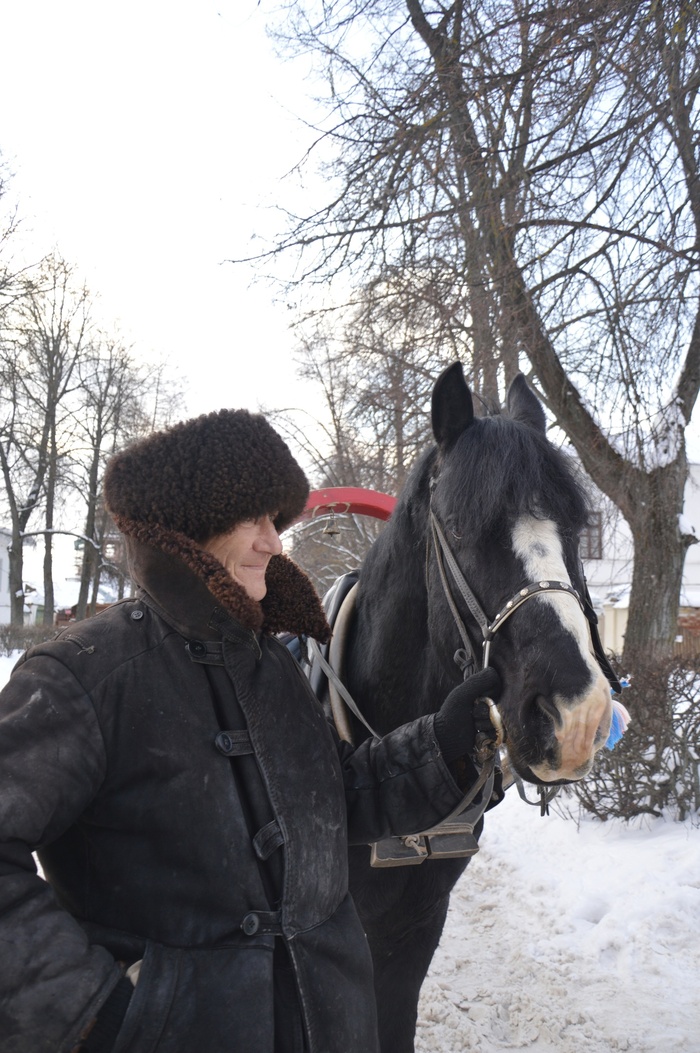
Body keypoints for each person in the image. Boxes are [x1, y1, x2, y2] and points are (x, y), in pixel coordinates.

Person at [0, 408, 500, 1053]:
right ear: (193, 524)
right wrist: (93, 1013)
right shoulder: (85, 676)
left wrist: (440, 747)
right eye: (253, 520)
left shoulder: (270, 666)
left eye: (276, 522)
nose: (275, 544)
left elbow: (333, 796)